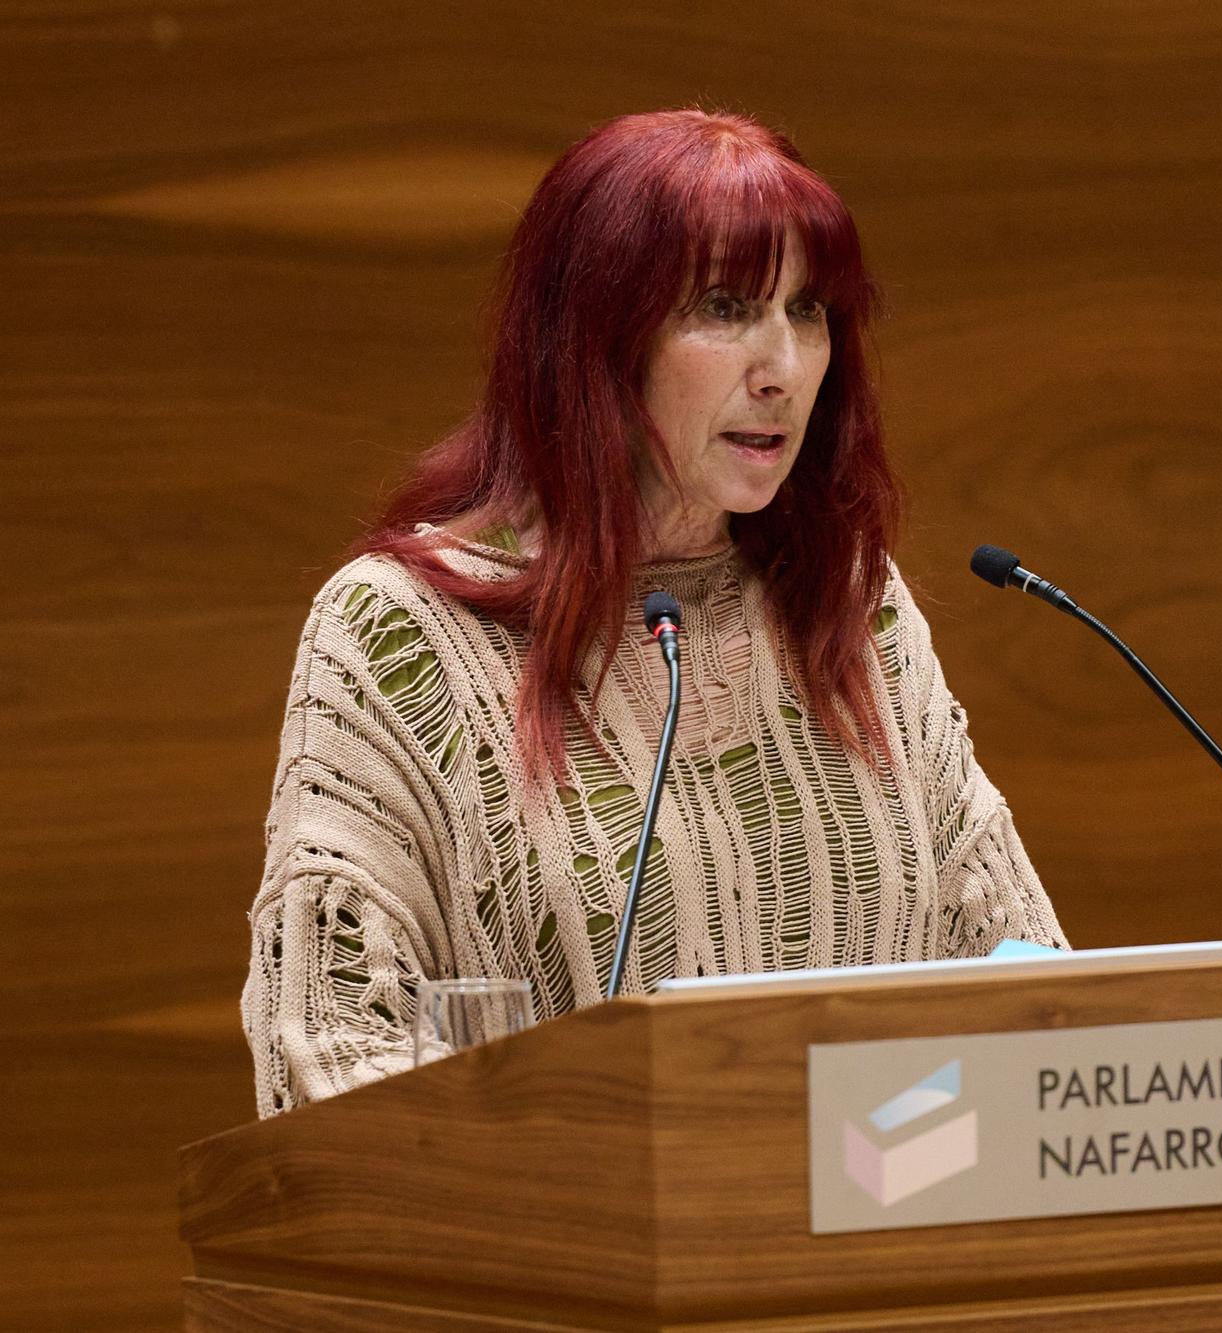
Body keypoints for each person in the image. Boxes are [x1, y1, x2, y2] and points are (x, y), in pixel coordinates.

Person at [242, 109, 1067, 1118]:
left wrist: (876, 1164)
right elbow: (330, 1050)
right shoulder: (403, 631)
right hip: (561, 1215)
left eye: (807, 310)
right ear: (596, 338)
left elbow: (1026, 987)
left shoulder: (848, 603)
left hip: (881, 1202)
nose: (782, 367)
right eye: (724, 307)